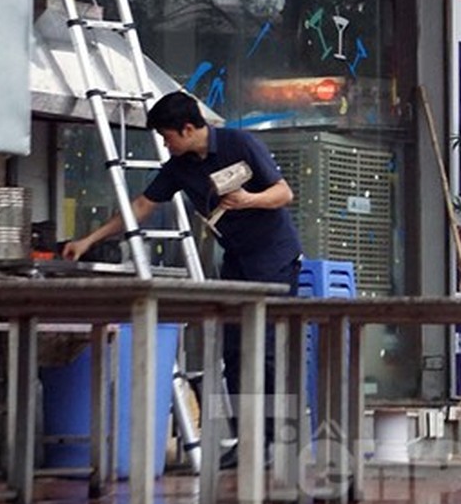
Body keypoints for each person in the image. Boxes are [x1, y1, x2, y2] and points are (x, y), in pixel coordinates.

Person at [62, 91, 302, 466]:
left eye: (167, 135)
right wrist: (87, 240)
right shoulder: (180, 165)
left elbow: (283, 193)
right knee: (235, 352)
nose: (164, 143)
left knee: (268, 353)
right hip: (237, 261)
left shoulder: (241, 143)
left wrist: (247, 201)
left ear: (188, 128)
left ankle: (276, 443)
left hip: (274, 259)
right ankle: (249, 442)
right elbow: (141, 206)